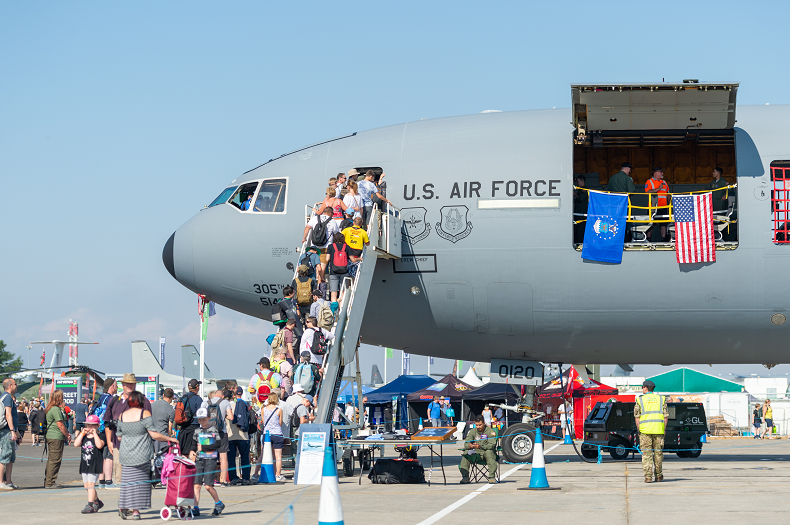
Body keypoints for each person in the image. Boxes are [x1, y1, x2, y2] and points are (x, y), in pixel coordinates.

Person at [117, 391, 177, 520]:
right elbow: (154, 434)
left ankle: (123, 506)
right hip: (142, 453)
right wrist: (170, 439)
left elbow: (119, 436)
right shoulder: (144, 414)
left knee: (128, 482)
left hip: (126, 454)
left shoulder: (122, 416)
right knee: (140, 483)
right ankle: (136, 511)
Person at [105, 374, 153, 486]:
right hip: (118, 444)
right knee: (120, 479)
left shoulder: (144, 401)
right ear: (122, 384)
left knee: (138, 479)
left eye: (132, 383)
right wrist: (109, 441)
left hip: (139, 446)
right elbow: (108, 423)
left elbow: (149, 424)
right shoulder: (115, 401)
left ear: (135, 384)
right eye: (127, 383)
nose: (129, 385)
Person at [191, 407, 226, 516]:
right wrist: (192, 452)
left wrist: (204, 447)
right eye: (199, 419)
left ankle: (218, 503)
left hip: (210, 460)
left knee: (208, 485)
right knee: (196, 484)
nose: (201, 421)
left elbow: (217, 444)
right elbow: (193, 445)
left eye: (203, 419)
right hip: (199, 460)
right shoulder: (197, 431)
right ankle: (195, 507)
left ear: (209, 418)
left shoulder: (213, 430)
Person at [634, 380, 668, 483]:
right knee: (658, 454)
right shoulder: (661, 399)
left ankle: (648, 477)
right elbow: (665, 416)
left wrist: (639, 429)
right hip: (658, 430)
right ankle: (658, 476)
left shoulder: (640, 400)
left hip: (645, 431)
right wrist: (664, 429)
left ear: (645, 387)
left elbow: (637, 417)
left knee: (646, 455)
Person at [73, 415, 105, 513]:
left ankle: (90, 505)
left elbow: (99, 445)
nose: (90, 427)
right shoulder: (84, 437)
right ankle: (97, 501)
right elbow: (76, 444)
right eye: (88, 425)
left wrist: (95, 434)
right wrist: (82, 433)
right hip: (85, 463)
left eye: (93, 425)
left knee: (91, 485)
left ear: (97, 426)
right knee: (87, 486)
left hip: (95, 464)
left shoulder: (101, 436)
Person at [92, 378, 117, 488]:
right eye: (116, 385)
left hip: (99, 430)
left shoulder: (101, 398)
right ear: (112, 386)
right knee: (109, 456)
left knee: (102, 456)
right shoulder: (112, 399)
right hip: (108, 429)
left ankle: (101, 481)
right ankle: (108, 481)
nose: (117, 387)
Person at [303, 208, 341, 282]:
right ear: (330, 213)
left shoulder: (315, 218)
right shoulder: (332, 221)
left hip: (314, 246)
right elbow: (336, 233)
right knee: (322, 266)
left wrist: (304, 238)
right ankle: (319, 283)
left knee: (315, 265)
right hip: (326, 247)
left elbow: (307, 227)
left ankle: (314, 281)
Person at [459, 415, 498, 484]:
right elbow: (466, 444)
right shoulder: (472, 431)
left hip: (486, 453)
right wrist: (470, 445)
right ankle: (465, 477)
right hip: (476, 454)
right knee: (466, 453)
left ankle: (492, 477)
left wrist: (480, 446)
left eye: (480, 425)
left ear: (484, 423)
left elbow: (492, 445)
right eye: (476, 425)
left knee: (489, 452)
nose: (478, 427)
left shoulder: (490, 431)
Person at [44, 389, 71, 488]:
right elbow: (60, 425)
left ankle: (48, 480)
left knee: (52, 459)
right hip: (56, 436)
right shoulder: (55, 409)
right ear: (59, 398)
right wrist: (67, 434)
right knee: (55, 460)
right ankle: (50, 482)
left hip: (52, 436)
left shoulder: (51, 408)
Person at [227, 387, 251, 486]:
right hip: (243, 435)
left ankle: (233, 478)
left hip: (230, 435)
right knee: (244, 457)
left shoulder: (228, 406)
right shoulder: (245, 404)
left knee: (231, 458)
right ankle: (245, 478)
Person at [207, 389, 231, 486]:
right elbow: (231, 417)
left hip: (208, 432)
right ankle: (223, 480)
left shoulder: (206, 402)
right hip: (221, 432)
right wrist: (224, 416)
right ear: (222, 396)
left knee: (208, 456)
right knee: (223, 457)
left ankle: (208, 480)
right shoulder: (225, 402)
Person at [260, 391, 286, 481]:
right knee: (278, 456)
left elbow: (263, 422)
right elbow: (280, 423)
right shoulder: (279, 410)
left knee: (267, 454)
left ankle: (268, 473)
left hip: (267, 434)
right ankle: (278, 474)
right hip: (277, 433)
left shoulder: (263, 409)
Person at [175, 378, 203, 458]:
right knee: (193, 453)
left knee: (183, 454)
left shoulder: (183, 398)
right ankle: (191, 470)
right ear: (197, 387)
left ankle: (184, 469)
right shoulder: (198, 399)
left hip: (183, 429)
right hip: (194, 428)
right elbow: (201, 414)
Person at [0, 378, 19, 490]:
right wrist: (12, 430)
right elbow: (8, 415)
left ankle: (9, 482)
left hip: (9, 430)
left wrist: (16, 432)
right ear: (10, 386)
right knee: (4, 456)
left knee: (11, 458)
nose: (17, 386)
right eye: (15, 384)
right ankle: (1, 482)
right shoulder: (7, 397)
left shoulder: (5, 397)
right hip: (6, 431)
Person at [645, 167, 670, 241]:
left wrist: (669, 204)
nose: (662, 174)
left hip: (664, 206)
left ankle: (663, 239)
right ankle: (649, 239)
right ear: (655, 173)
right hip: (653, 207)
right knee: (651, 224)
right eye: (660, 172)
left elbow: (667, 194)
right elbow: (648, 192)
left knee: (664, 224)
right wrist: (658, 189)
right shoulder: (649, 181)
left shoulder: (664, 182)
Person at [151, 388, 175, 456]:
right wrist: (169, 439)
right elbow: (169, 428)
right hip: (162, 438)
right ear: (172, 397)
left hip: (151, 436)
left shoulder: (152, 405)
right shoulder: (171, 410)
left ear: (163, 395)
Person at [326, 232, 350, 302]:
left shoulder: (330, 246)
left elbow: (327, 259)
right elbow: (352, 259)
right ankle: (341, 307)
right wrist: (359, 259)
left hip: (333, 272)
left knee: (334, 292)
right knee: (342, 291)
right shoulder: (346, 247)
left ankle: (334, 309)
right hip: (344, 271)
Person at [573, 174, 588, 243]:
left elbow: (581, 198)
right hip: (578, 213)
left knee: (580, 230)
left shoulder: (584, 190)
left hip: (582, 213)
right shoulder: (580, 190)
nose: (577, 183)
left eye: (578, 181)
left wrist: (574, 194)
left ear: (582, 181)